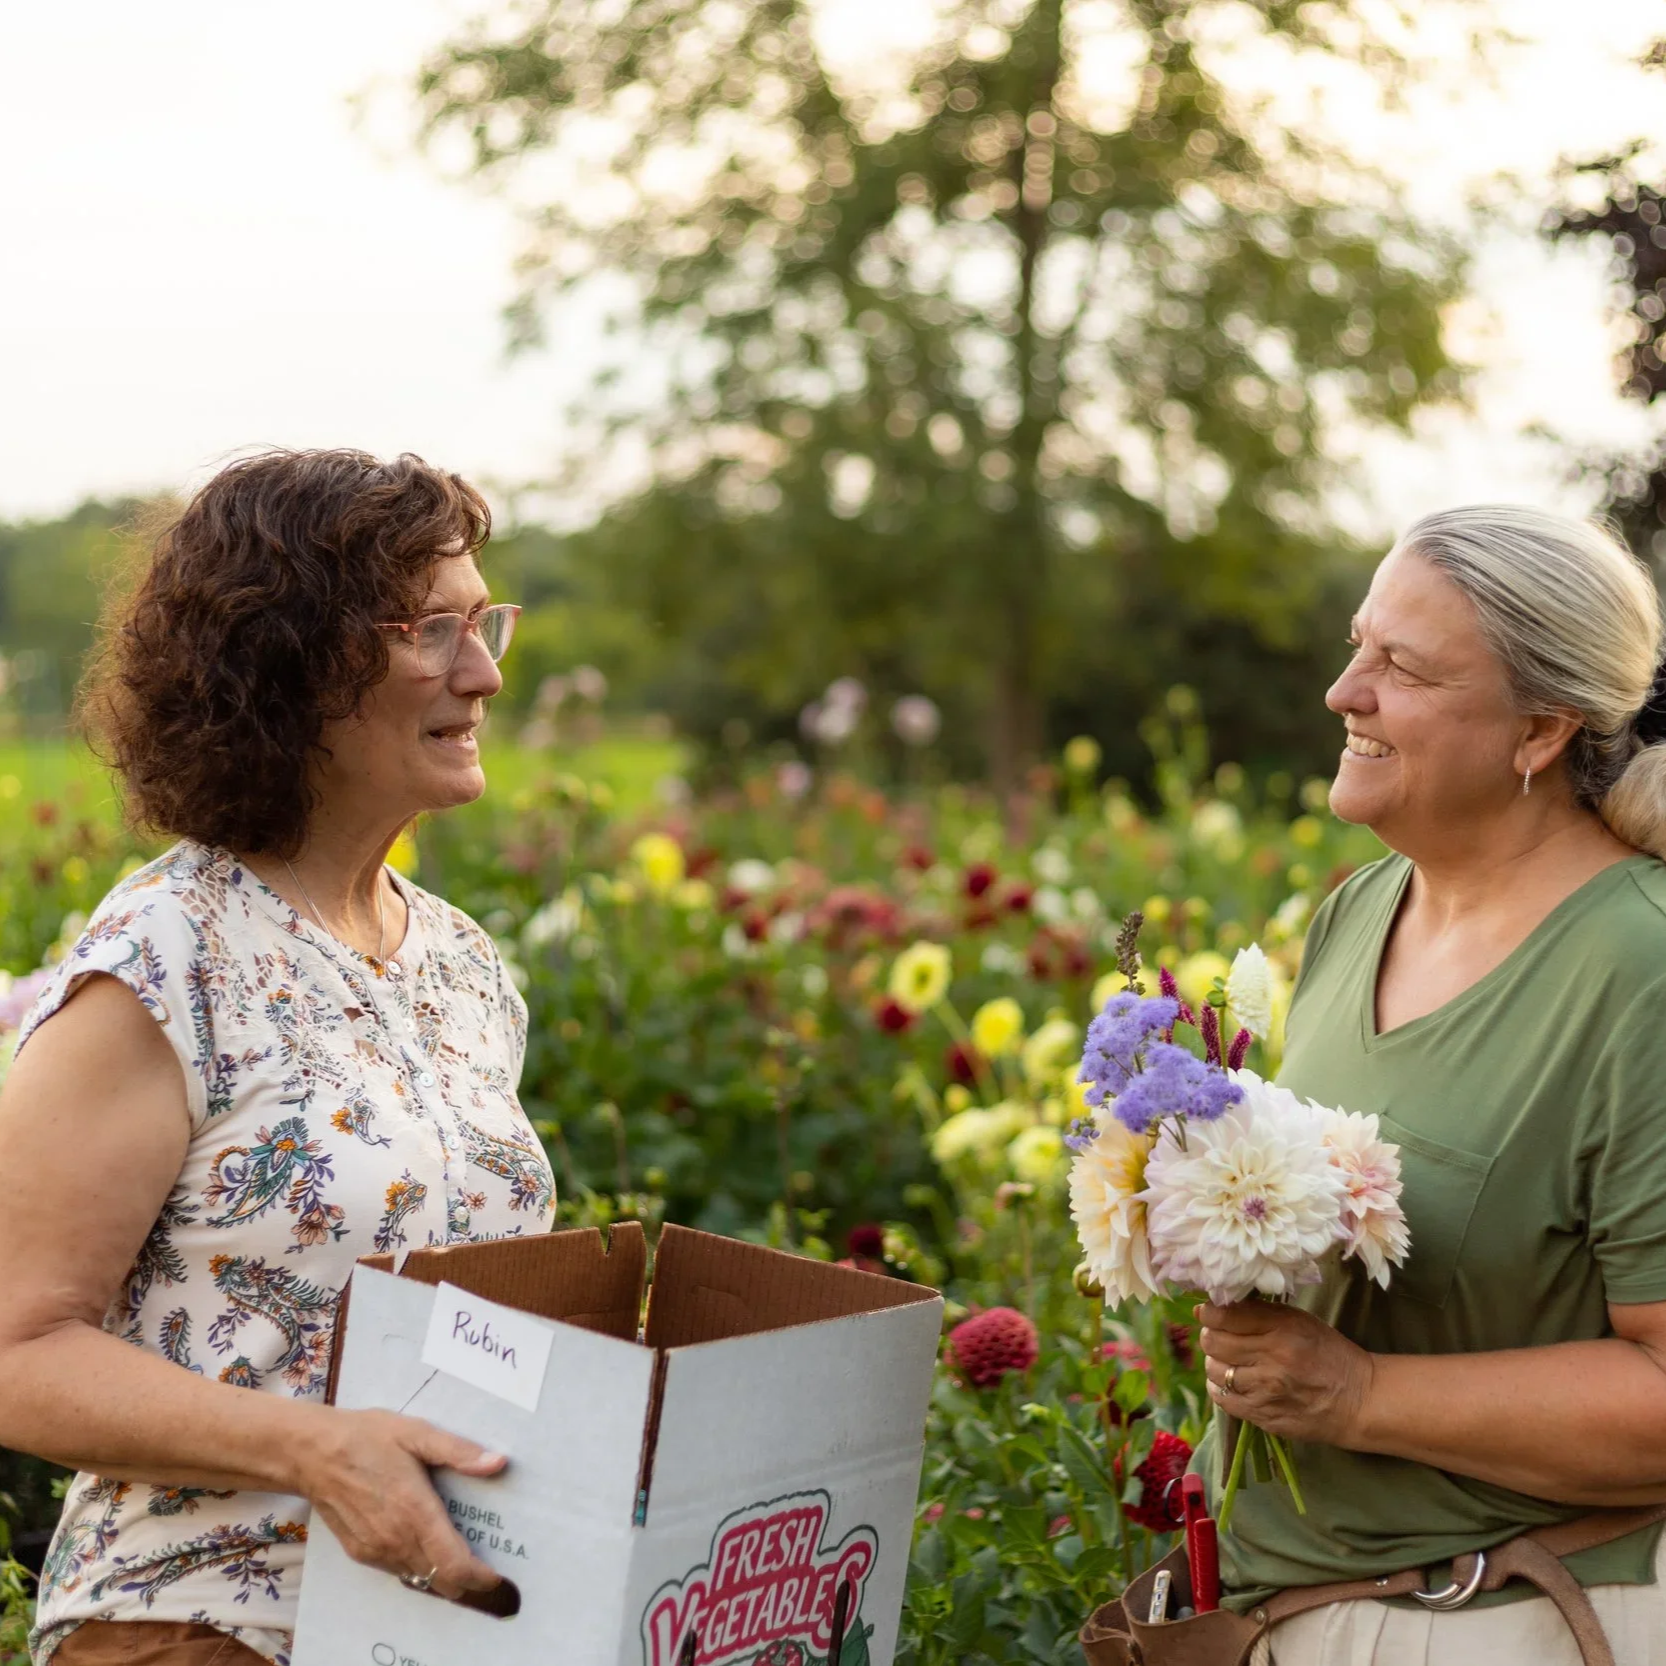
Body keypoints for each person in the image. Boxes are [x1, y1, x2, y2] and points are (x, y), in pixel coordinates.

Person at [0, 450, 556, 1666]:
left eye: (487, 620)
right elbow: (14, 1348)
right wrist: (313, 1448)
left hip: (435, 1629)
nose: (486, 671)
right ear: (290, 669)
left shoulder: (460, 964)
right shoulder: (166, 956)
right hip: (202, 1626)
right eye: (436, 630)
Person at [1194, 504, 1666, 1663]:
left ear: (1539, 730)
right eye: (1359, 643)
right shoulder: (1360, 910)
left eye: (1399, 666)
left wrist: (1356, 1394)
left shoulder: (1637, 966)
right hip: (1285, 1609)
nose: (1341, 692)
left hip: (1501, 1622)